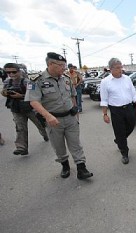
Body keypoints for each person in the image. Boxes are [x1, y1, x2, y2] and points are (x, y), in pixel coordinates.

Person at [25, 52, 93, 180]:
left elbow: (72, 95)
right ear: (51, 64)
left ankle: (81, 168)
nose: (64, 68)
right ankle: (65, 165)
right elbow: (33, 101)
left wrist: (75, 111)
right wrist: (48, 116)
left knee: (76, 143)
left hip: (70, 117)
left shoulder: (66, 78)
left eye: (64, 65)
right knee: (58, 145)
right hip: (53, 120)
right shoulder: (36, 80)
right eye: (61, 65)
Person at [100, 58, 136, 164]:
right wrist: (104, 114)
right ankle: (124, 153)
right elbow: (104, 100)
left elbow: (133, 93)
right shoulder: (105, 82)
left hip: (128, 108)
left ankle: (119, 140)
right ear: (111, 69)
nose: (120, 69)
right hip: (116, 110)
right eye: (117, 68)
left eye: (121, 67)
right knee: (120, 131)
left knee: (131, 126)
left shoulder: (127, 79)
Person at [1, 63, 48, 155]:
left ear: (19, 71)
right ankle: (21, 147)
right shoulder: (7, 82)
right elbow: (4, 92)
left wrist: (21, 96)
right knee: (20, 128)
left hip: (30, 108)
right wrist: (5, 93)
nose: (11, 74)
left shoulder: (28, 82)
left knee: (40, 124)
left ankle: (46, 135)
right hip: (16, 108)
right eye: (8, 72)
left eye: (14, 72)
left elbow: (35, 95)